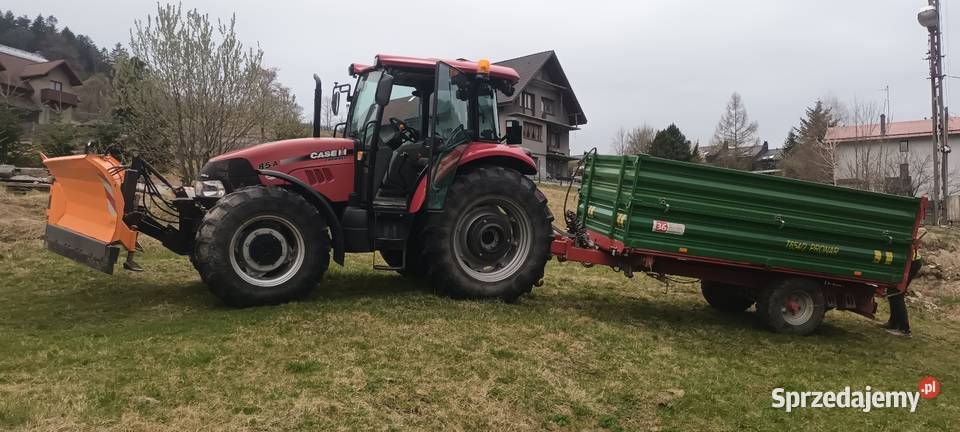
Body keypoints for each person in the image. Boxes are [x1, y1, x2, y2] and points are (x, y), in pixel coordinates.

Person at [884, 250, 922, 337]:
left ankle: (905, 330)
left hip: (910, 263)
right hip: (906, 261)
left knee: (897, 294)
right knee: (892, 292)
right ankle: (893, 324)